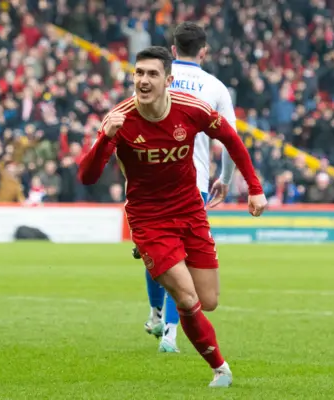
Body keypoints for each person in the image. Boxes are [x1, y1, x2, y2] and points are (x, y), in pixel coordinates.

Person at [78, 46, 267, 388]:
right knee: (185, 296)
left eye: (152, 74)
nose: (144, 80)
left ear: (168, 80)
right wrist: (104, 140)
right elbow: (87, 177)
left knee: (207, 300)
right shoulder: (119, 119)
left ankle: (166, 300)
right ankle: (220, 369)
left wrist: (254, 187)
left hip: (190, 210)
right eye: (139, 73)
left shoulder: (190, 109)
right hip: (149, 219)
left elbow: (231, 140)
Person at [137, 21, 237, 354]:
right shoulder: (215, 87)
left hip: (150, 179)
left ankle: (156, 314)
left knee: (159, 252)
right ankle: (169, 331)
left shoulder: (154, 77)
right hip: (192, 182)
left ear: (174, 49)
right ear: (204, 51)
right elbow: (231, 140)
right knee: (180, 256)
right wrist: (226, 179)